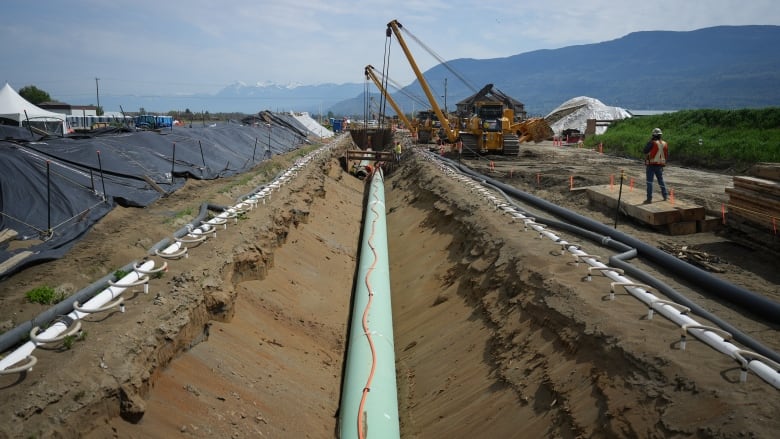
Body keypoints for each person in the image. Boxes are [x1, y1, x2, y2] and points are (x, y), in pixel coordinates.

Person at [642, 127, 669, 204]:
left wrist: (649, 142)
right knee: (661, 180)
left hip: (651, 165)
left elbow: (645, 151)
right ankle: (665, 196)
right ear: (660, 135)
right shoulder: (665, 143)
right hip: (660, 165)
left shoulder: (652, 142)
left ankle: (649, 199)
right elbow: (666, 155)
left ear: (653, 135)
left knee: (649, 182)